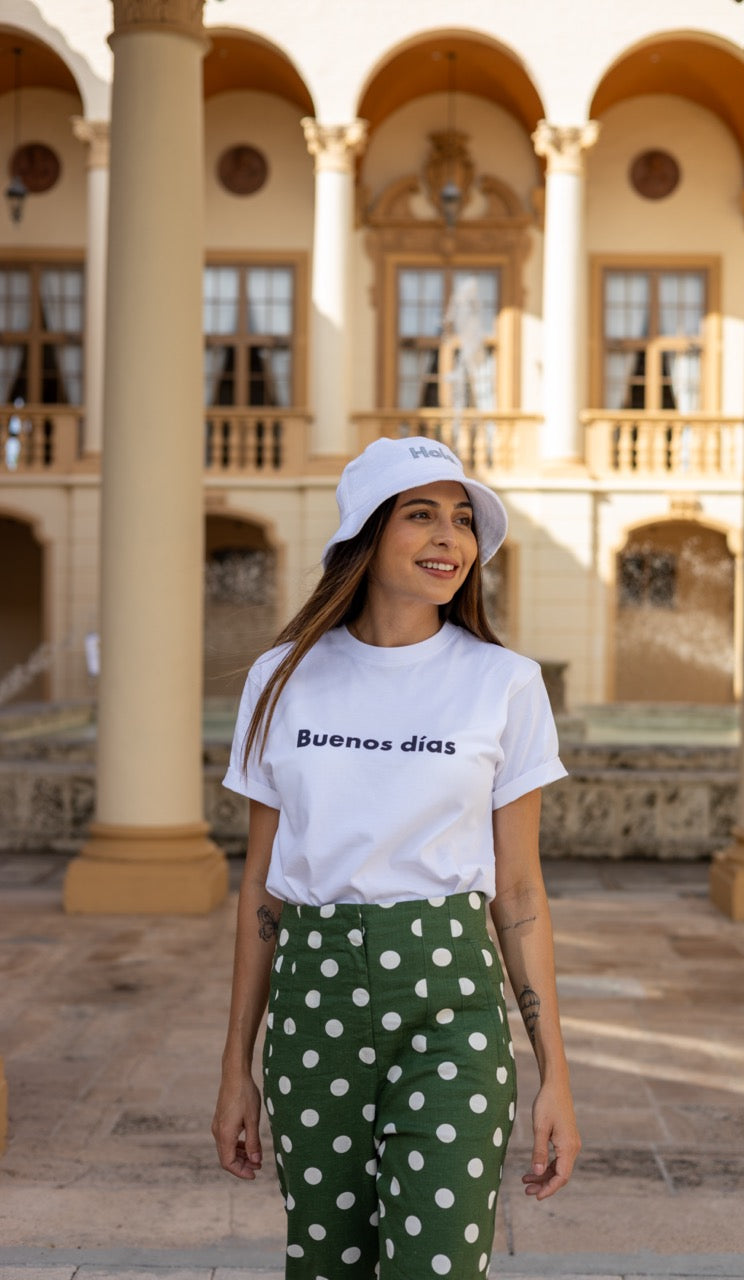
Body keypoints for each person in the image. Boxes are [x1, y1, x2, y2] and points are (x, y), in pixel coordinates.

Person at [212, 435, 581, 1280]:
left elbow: (518, 891)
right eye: (421, 515)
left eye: (461, 520)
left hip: (450, 996)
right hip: (314, 999)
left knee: (436, 1267)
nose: (449, 537)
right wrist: (236, 1065)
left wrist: (554, 1073)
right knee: (325, 1262)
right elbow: (262, 893)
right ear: (366, 534)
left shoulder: (505, 684)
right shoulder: (281, 678)